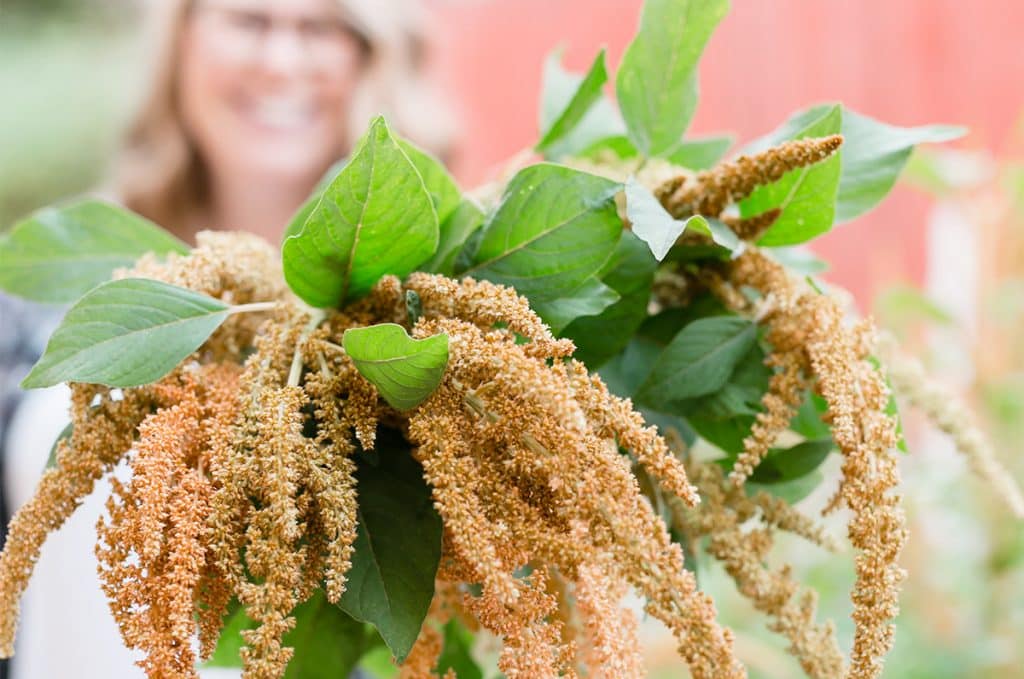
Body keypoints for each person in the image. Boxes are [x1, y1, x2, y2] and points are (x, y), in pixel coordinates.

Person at [0, 1, 453, 677]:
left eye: (321, 27)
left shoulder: (430, 315)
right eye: (249, 20)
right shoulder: (51, 289)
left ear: (372, 54)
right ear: (180, 38)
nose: (281, 62)